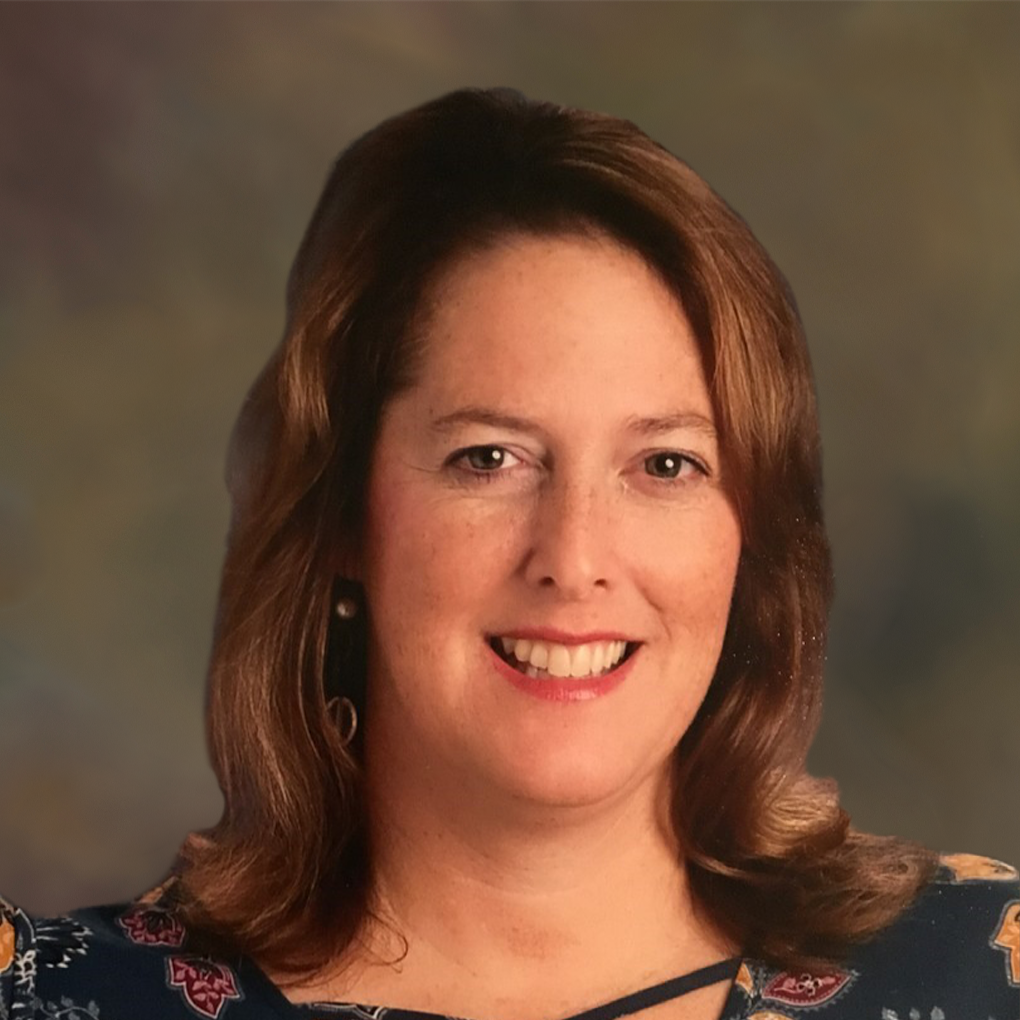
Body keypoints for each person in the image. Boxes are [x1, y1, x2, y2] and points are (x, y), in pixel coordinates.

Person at [1, 87, 1017, 1020]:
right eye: (488, 457)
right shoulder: (63, 1001)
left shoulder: (982, 972)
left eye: (665, 464)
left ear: (747, 535)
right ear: (341, 515)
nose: (574, 559)